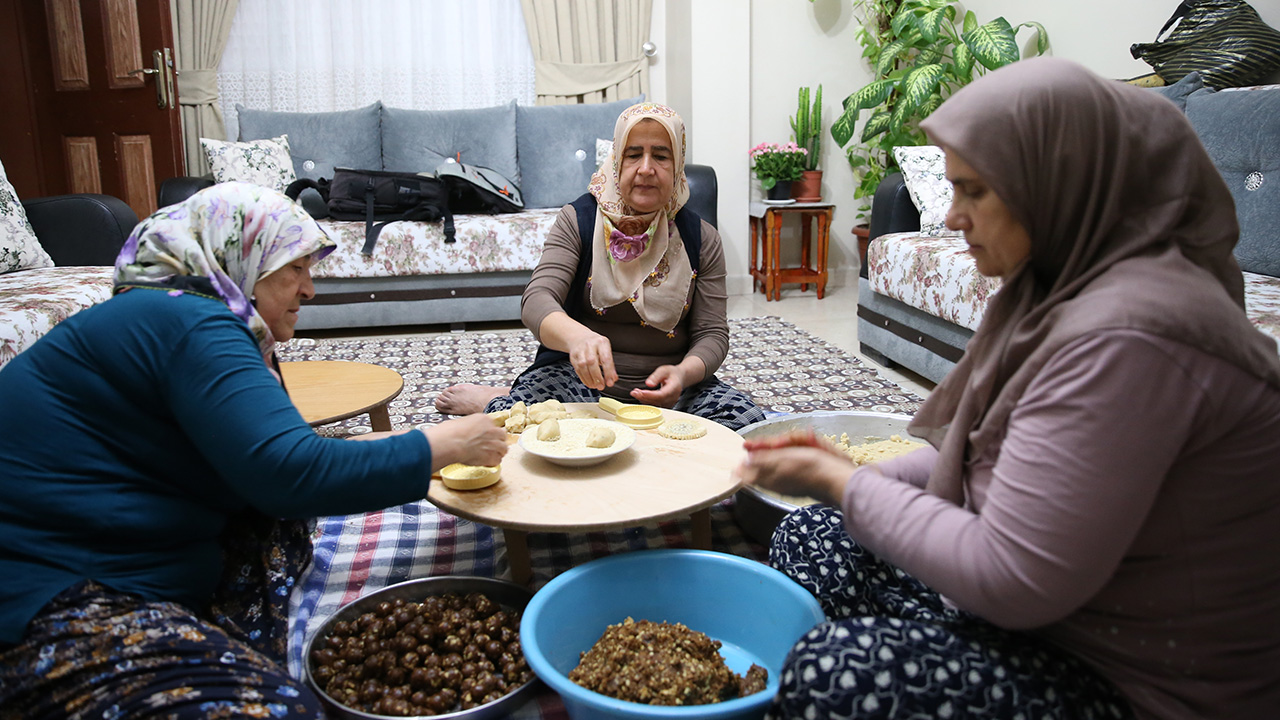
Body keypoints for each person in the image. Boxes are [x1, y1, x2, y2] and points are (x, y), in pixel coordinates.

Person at [737, 58, 1280, 720]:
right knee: (812, 536)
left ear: (1056, 186)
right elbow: (984, 456)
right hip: (1045, 618)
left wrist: (846, 485)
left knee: (832, 672)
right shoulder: (1060, 286)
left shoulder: (1131, 338)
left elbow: (1014, 578)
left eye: (974, 192)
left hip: (1132, 678)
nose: (953, 217)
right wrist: (846, 473)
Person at [0, 183, 509, 719]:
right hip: (45, 595)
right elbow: (289, 474)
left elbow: (276, 454)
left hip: (114, 558)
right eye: (295, 269)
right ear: (239, 257)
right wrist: (445, 441)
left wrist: (412, 444)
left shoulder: (178, 313)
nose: (310, 291)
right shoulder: (190, 322)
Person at [436, 102, 765, 431]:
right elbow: (537, 300)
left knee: (748, 423)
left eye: (661, 156)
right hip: (579, 383)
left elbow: (712, 334)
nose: (646, 168)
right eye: (634, 154)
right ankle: (497, 398)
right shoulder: (577, 220)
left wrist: (682, 374)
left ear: (678, 164)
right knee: (525, 426)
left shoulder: (700, 238)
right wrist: (577, 339)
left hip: (672, 392)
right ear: (617, 160)